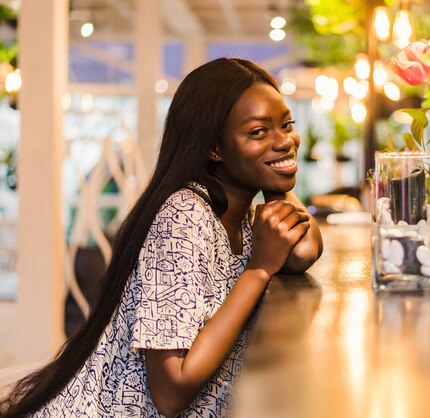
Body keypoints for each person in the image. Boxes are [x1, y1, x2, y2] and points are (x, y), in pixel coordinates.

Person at [0, 57, 323, 417]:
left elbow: (304, 252)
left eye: (287, 124)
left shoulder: (246, 217)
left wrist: (276, 179)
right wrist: (259, 269)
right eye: (259, 132)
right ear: (214, 147)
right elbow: (170, 391)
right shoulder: (184, 215)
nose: (286, 141)